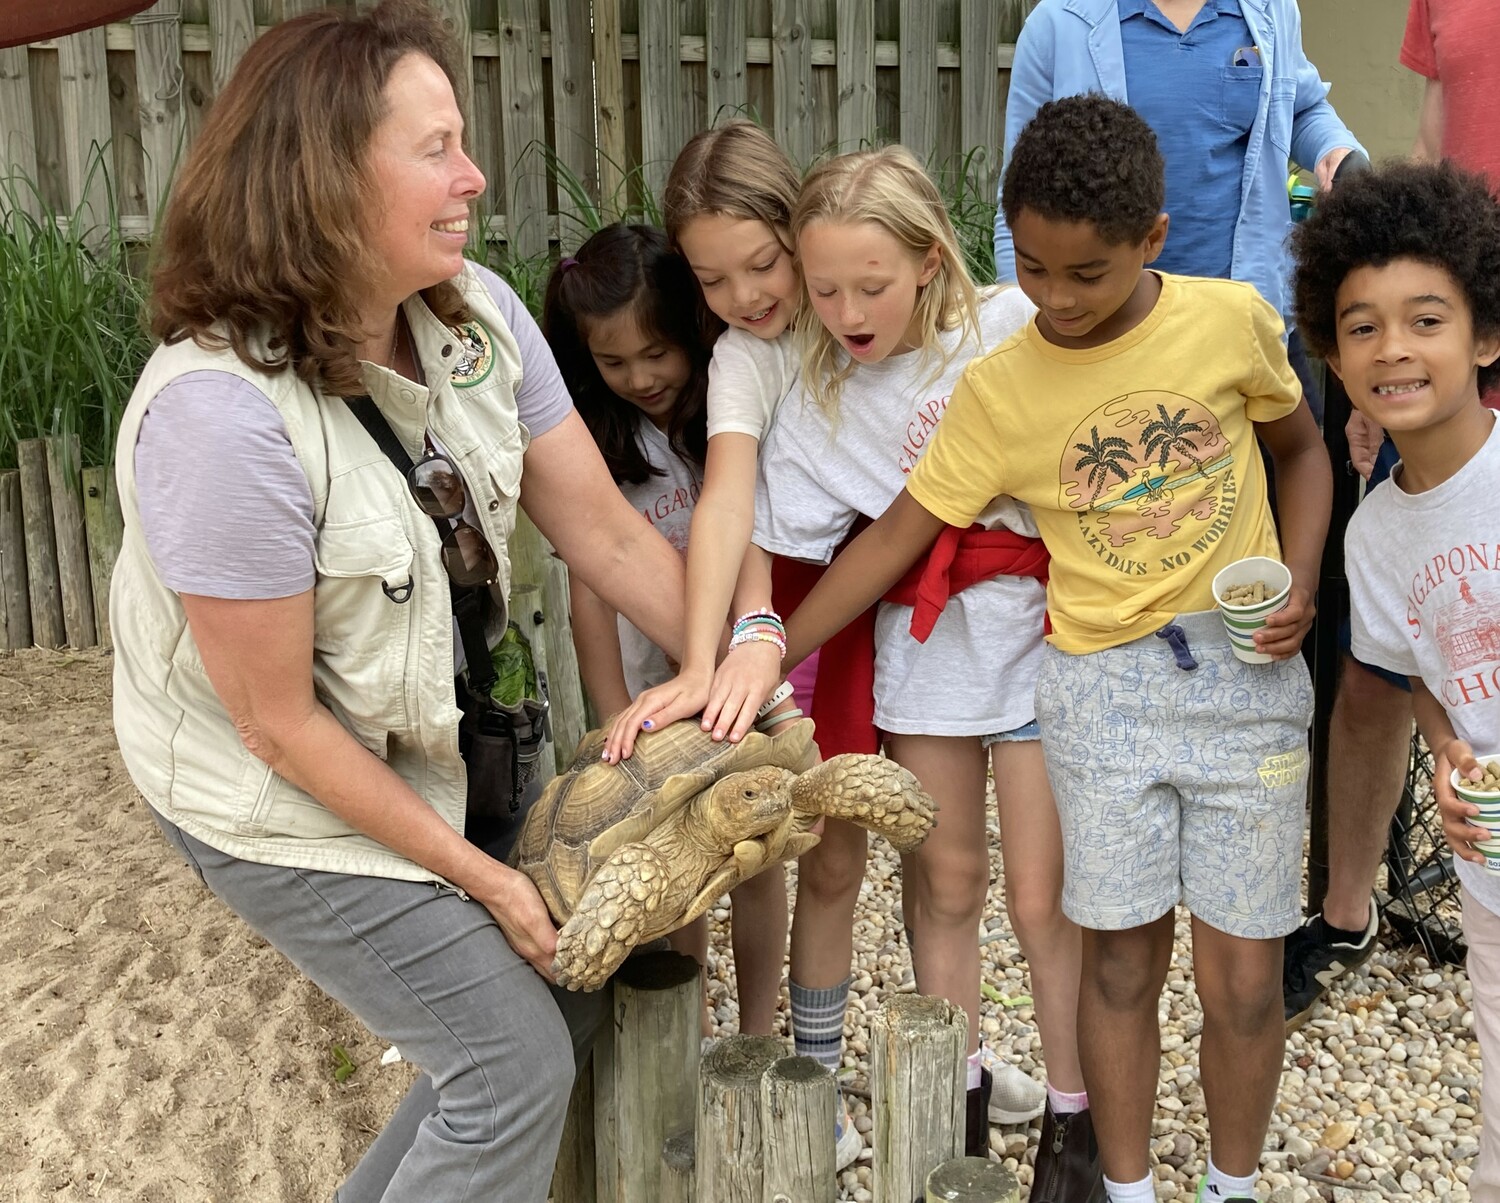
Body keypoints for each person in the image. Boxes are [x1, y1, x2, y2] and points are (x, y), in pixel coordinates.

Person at [109, 5, 690, 1200]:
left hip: (426, 742)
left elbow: (609, 534)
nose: (475, 175)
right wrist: (485, 880)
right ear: (321, 178)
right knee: (508, 1066)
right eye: (435, 149)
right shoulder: (220, 419)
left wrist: (752, 655)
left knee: (556, 1003)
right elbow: (278, 727)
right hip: (269, 792)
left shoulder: (472, 312)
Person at [776, 98, 1330, 1203]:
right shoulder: (996, 390)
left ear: (1154, 242)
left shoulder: (1231, 322)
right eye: (1034, 267)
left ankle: (1234, 1186)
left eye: (1091, 273)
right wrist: (765, 653)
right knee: (1120, 958)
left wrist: (1307, 578)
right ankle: (1118, 1187)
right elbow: (896, 539)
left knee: (1248, 974)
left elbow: (1301, 453)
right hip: (1098, 691)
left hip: (1247, 679)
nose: (1060, 299)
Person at [752, 144, 1077, 1164]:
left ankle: (1076, 1116)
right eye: (824, 288)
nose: (848, 310)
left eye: (872, 284)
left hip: (1037, 636)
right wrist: (753, 657)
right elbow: (789, 552)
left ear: (930, 261)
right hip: (928, 655)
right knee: (945, 880)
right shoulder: (819, 399)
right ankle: (959, 1098)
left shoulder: (1011, 330)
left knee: (1043, 894)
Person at [1284, 0, 1500, 1027]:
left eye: (1417, 324)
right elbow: (1413, 665)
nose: (1389, 345)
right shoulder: (1376, 531)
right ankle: (1348, 908)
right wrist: (1450, 751)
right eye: (1357, 332)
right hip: (1489, 870)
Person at [539, 222, 789, 1039]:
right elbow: (589, 594)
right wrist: (614, 712)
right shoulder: (597, 442)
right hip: (658, 693)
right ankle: (686, 1031)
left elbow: (756, 531)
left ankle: (753, 1031)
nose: (641, 377)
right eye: (614, 362)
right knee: (676, 864)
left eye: (657, 353)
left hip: (736, 678)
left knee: (753, 857)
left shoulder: (726, 416)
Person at [993, 0, 1361, 417]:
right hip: (1107, 329)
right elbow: (1020, 192)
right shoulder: (1059, 22)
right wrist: (1019, 328)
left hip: (1246, 317)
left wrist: (1333, 147)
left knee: (1282, 462)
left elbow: (1300, 106)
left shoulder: (1270, 9)